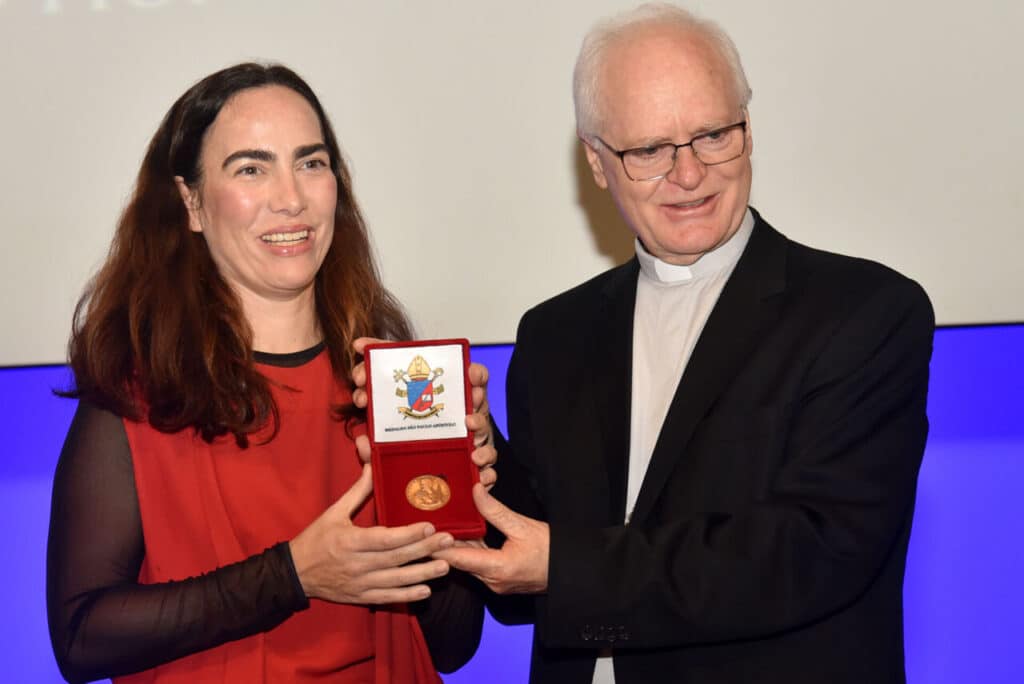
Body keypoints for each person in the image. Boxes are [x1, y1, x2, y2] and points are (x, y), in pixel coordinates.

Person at [435, 4, 934, 683]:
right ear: (598, 163)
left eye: (711, 135)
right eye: (648, 150)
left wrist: (566, 565)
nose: (689, 173)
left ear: (749, 130)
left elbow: (812, 553)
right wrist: (478, 459)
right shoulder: (553, 335)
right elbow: (533, 573)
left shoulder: (865, 312)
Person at [46, 62, 495, 684]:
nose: (292, 197)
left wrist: (457, 502)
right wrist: (293, 575)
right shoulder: (135, 398)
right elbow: (80, 639)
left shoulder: (398, 385)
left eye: (311, 163)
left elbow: (452, 645)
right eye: (251, 168)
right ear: (192, 203)